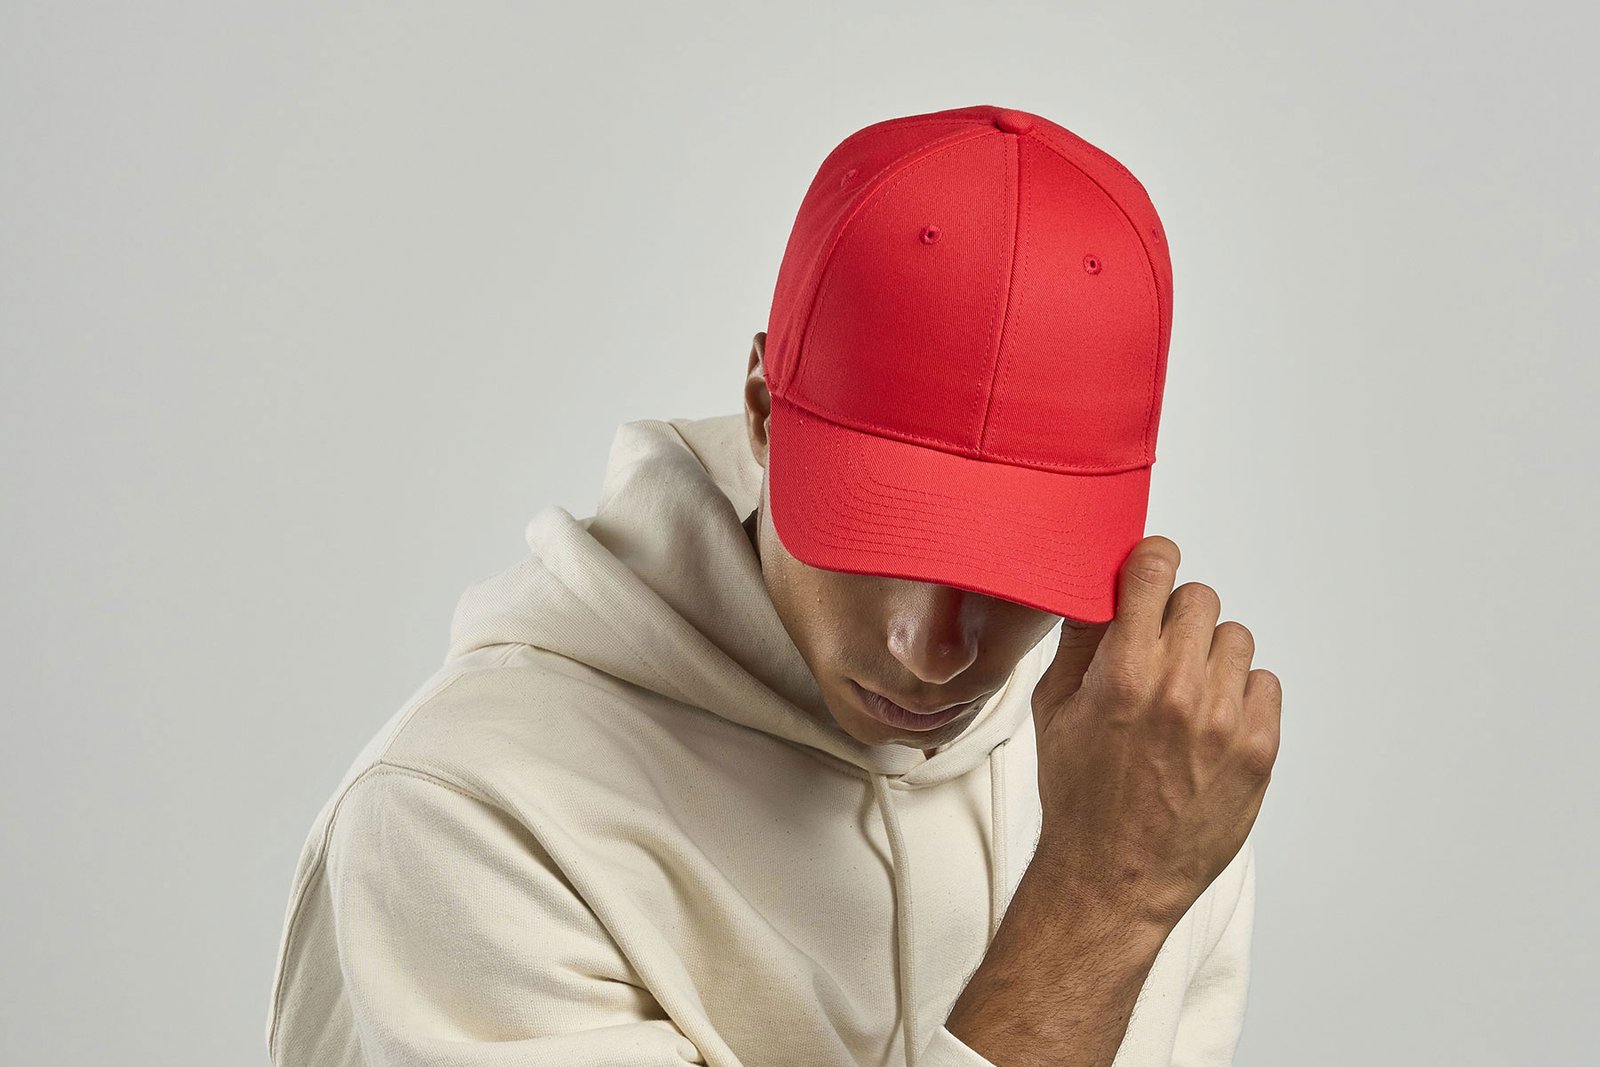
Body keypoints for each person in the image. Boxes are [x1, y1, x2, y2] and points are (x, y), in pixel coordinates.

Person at [266, 103, 1281, 1067]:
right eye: (880, 537)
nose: (934, 651)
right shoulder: (470, 814)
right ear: (762, 405)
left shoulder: (1140, 775)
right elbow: (1107, 889)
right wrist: (1101, 900)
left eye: (1009, 568)